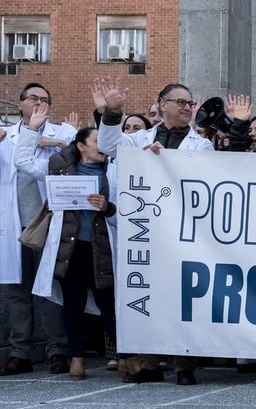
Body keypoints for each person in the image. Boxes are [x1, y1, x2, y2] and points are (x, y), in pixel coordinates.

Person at [96, 79, 213, 385]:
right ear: (162, 105)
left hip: (180, 231)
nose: (187, 108)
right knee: (142, 292)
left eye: (190, 104)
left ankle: (184, 363)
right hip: (142, 230)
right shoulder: (137, 140)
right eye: (181, 103)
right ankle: (146, 362)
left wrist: (169, 161)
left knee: (179, 295)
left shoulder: (201, 144)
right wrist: (113, 111)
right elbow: (107, 146)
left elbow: (206, 177)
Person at [13, 109, 116, 381]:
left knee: (109, 301)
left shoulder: (114, 169)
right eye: (97, 142)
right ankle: (76, 359)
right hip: (70, 248)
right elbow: (23, 161)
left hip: (102, 247)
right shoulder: (58, 166)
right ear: (81, 146)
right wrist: (31, 131)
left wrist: (107, 207)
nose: (103, 147)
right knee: (73, 303)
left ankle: (123, 357)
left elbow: (124, 209)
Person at [1, 83, 72, 376]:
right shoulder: (5, 136)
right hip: (13, 225)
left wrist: (55, 144)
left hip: (47, 225)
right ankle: (20, 352)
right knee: (16, 291)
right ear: (20, 104)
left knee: (50, 290)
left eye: (45, 99)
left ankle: (57, 351)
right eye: (34, 98)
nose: (39, 103)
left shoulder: (62, 133)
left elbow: (81, 157)